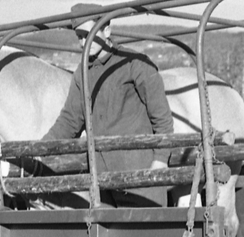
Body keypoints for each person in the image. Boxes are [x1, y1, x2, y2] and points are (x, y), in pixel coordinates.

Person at [41, 21, 174, 206]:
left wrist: (160, 160)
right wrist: (40, 150)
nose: (83, 43)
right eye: (79, 37)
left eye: (88, 35)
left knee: (146, 233)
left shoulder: (135, 63)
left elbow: (162, 118)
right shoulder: (83, 72)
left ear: (107, 31)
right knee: (105, 233)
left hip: (140, 175)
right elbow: (70, 120)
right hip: (101, 179)